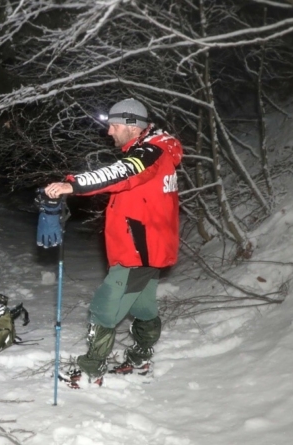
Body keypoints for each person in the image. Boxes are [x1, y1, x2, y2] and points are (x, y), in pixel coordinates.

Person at [42, 98, 183, 388]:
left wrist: (72, 185)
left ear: (133, 126)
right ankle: (141, 359)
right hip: (146, 248)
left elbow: (121, 173)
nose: (109, 133)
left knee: (104, 308)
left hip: (139, 250)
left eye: (114, 126)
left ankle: (91, 369)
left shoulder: (150, 154)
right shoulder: (153, 149)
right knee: (143, 307)